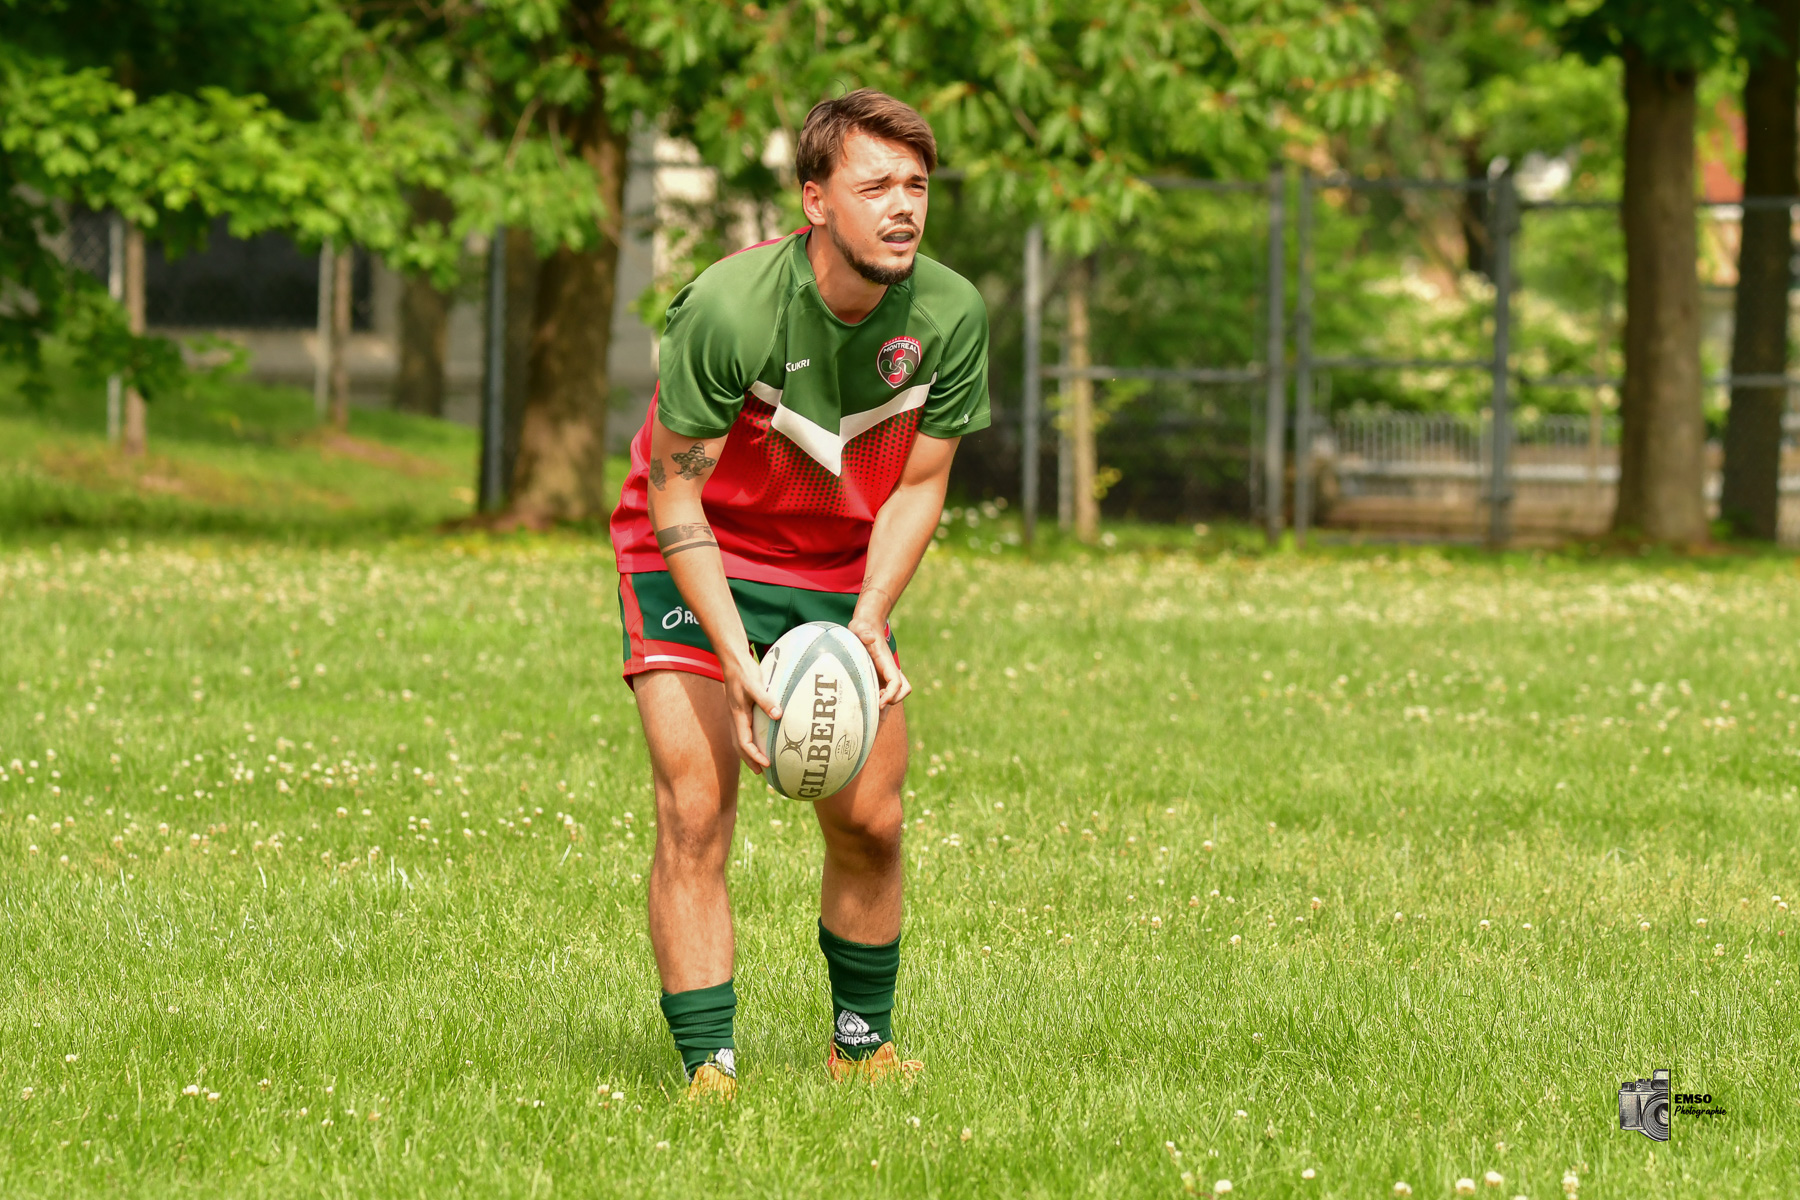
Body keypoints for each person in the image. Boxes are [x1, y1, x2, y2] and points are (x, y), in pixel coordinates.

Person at [608, 88, 990, 1099]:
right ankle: (709, 1071)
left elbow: (919, 480)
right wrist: (734, 656)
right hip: (697, 551)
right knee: (696, 806)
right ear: (817, 199)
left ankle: (860, 1047)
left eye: (917, 186)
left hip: (832, 566)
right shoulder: (731, 306)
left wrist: (868, 618)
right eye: (876, 187)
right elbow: (674, 489)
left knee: (871, 820)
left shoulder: (950, 313)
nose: (903, 207)